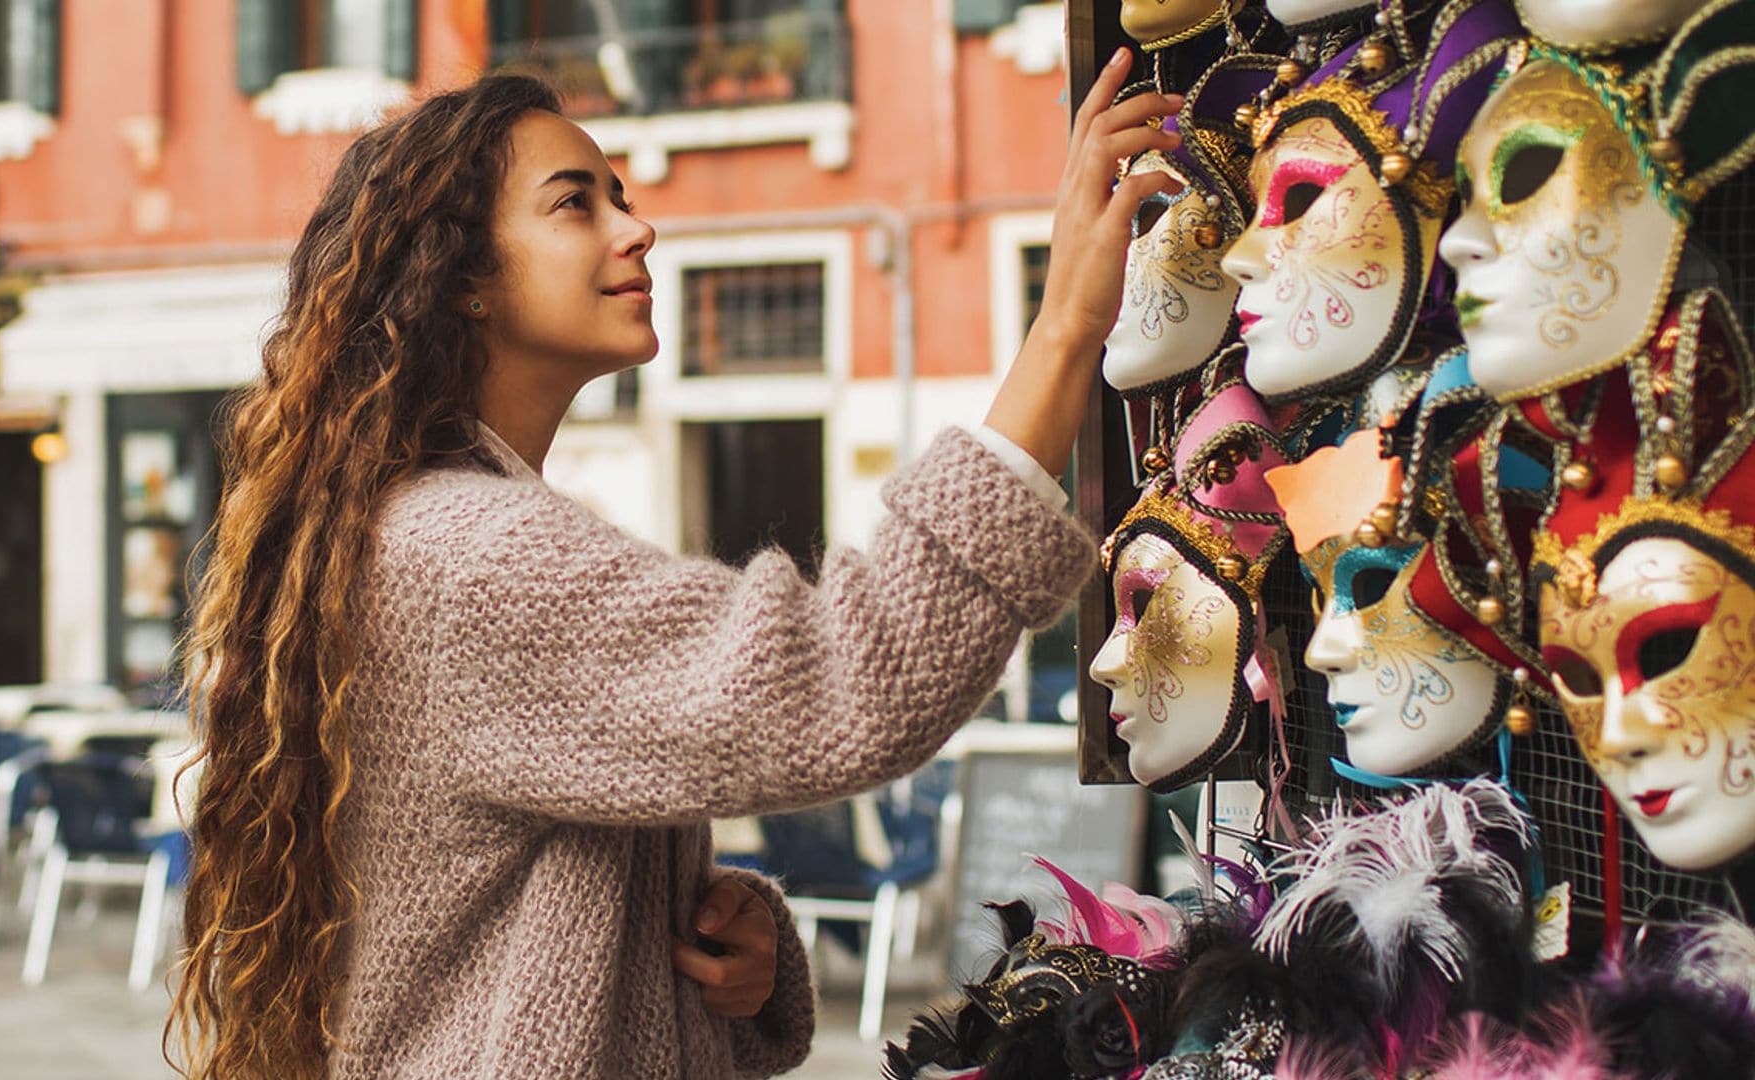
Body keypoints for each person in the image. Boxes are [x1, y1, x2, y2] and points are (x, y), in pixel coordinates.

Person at [167, 52, 1181, 1080]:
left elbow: (503, 907)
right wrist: (1065, 330)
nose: (637, 228)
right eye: (576, 205)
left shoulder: (433, 532)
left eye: (624, 196)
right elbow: (847, 680)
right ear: (464, 277)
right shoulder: (474, 560)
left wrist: (734, 944)